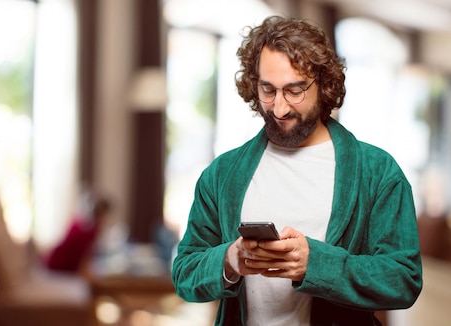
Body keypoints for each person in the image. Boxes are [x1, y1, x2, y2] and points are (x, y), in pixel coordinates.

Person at [171, 15, 423, 325]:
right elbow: (185, 272)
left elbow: (403, 280)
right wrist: (229, 260)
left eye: (295, 90)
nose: (279, 108)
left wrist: (316, 265)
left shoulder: (378, 172)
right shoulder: (223, 173)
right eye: (268, 90)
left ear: (324, 85)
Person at [44, 191, 111, 275]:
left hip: (57, 259)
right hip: (60, 263)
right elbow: (88, 254)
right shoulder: (92, 228)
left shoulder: (79, 220)